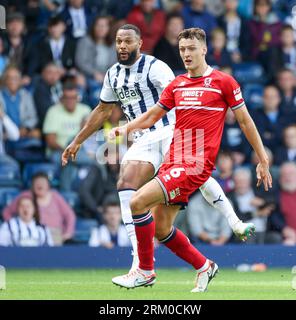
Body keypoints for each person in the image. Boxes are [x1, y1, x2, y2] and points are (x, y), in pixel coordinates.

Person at [62, 24, 253, 277]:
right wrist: (78, 141)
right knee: (126, 183)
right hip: (143, 137)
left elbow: (180, 95)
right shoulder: (112, 75)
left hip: (173, 129)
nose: (122, 46)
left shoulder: (156, 67)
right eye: (119, 41)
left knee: (199, 175)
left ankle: (233, 221)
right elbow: (102, 110)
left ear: (139, 44)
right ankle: (138, 262)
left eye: (128, 41)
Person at [109, 27, 272, 292]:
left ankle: (144, 271)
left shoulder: (223, 82)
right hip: (173, 160)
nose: (186, 54)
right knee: (161, 229)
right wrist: (125, 129)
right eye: (182, 49)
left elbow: (245, 121)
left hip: (194, 164)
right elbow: (152, 116)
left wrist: (262, 159)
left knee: (137, 202)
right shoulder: (177, 84)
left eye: (191, 48)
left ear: (204, 49)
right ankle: (204, 266)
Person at [3, 172, 76, 245]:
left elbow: (70, 215)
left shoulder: (55, 196)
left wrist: (68, 233)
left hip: (54, 234)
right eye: (37, 182)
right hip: (33, 234)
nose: (40, 184)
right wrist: (15, 226)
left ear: (48, 185)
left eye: (43, 182)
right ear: (32, 186)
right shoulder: (26, 196)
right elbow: (6, 212)